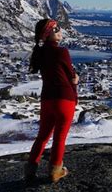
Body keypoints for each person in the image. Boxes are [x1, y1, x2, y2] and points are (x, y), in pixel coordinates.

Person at [24, 19, 79, 183]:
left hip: (47, 99)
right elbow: (71, 77)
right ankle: (56, 171)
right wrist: (75, 83)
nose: (60, 30)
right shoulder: (62, 52)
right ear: (48, 34)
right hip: (64, 99)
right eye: (56, 29)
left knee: (42, 137)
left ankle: (30, 171)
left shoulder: (40, 53)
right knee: (59, 137)